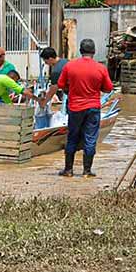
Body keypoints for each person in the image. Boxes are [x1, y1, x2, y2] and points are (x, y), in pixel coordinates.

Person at [51, 38, 113, 178]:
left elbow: (60, 85)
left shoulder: (70, 66)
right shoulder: (100, 68)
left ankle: (68, 170)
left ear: (80, 51)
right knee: (90, 139)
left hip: (75, 108)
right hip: (93, 108)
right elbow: (108, 88)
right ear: (94, 51)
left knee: (72, 137)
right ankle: (86, 171)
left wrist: (71, 89)